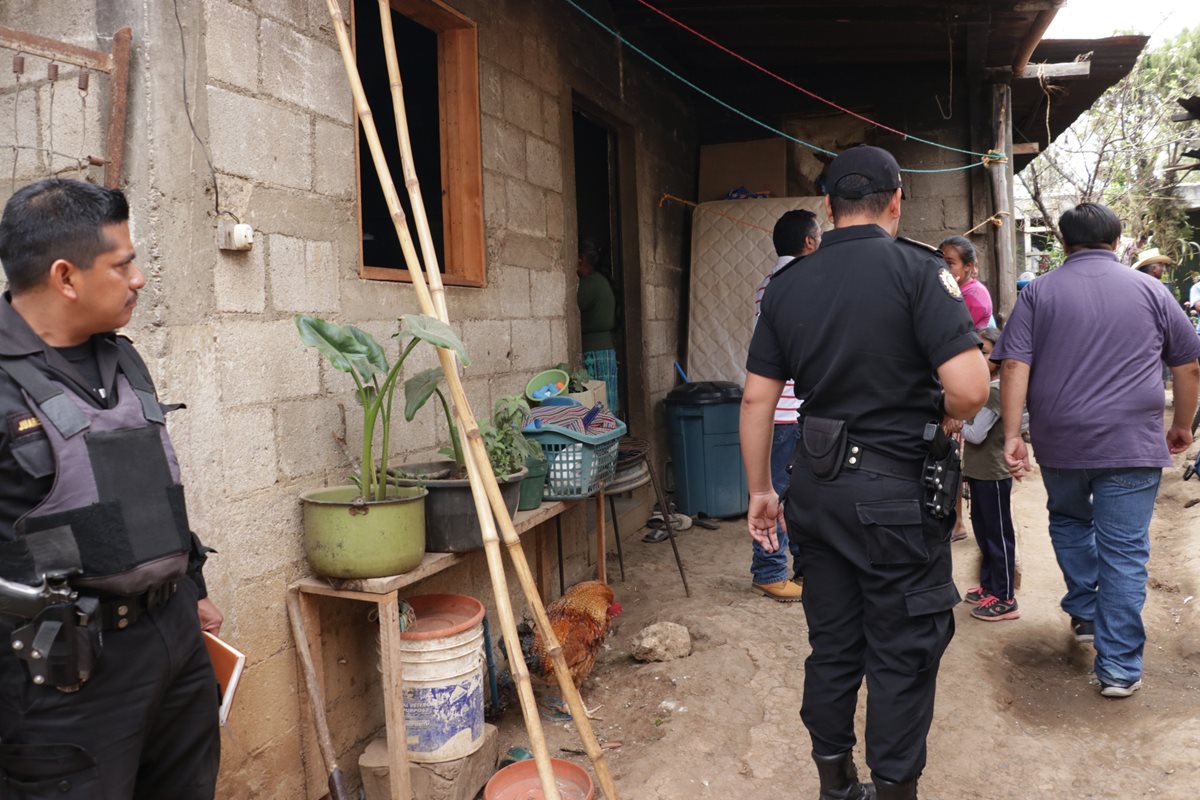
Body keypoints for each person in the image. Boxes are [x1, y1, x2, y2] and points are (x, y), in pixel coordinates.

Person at [742, 145, 989, 800]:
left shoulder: (787, 283)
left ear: (828, 207)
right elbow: (970, 389)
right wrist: (942, 415)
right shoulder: (919, 271)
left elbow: (757, 400)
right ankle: (894, 787)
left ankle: (836, 783)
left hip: (816, 490)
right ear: (897, 200)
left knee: (833, 644)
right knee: (903, 648)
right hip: (896, 496)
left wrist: (762, 490)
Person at [0, 179, 221, 799]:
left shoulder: (123, 359)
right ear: (66, 277)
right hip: (64, 669)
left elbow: (146, 486)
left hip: (173, 640)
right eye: (123, 264)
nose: (138, 279)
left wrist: (193, 586)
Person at [993, 202, 1200, 699]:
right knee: (1124, 550)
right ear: (1117, 241)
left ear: (1064, 243)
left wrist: (1012, 434)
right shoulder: (1152, 290)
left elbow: (1015, 365)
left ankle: (1086, 612)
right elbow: (1189, 364)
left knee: (1069, 520)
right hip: (1132, 442)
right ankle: (1120, 668)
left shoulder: (1039, 292)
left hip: (1062, 440)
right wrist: (1182, 425)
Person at [748, 209, 821, 602]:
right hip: (785, 409)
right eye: (819, 236)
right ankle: (769, 571)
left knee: (790, 494)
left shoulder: (770, 282)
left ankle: (798, 567)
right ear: (809, 242)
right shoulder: (798, 283)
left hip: (783, 409)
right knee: (777, 493)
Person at [960, 328, 1020, 622]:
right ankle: (989, 586)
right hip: (980, 473)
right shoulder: (986, 388)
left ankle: (1006, 596)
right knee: (984, 534)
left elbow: (976, 434)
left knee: (997, 535)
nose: (978, 357)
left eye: (983, 352)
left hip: (993, 475)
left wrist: (955, 420)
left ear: (999, 355)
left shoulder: (995, 392)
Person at [576, 238, 619, 416]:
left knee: (596, 405)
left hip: (594, 353)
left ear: (581, 260)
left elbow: (573, 303)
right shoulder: (600, 281)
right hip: (605, 350)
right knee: (607, 403)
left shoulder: (590, 284)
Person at [940, 235, 994, 329]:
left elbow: (948, 329)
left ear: (967, 266)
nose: (943, 268)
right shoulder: (954, 288)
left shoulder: (974, 296)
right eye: (940, 262)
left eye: (950, 263)